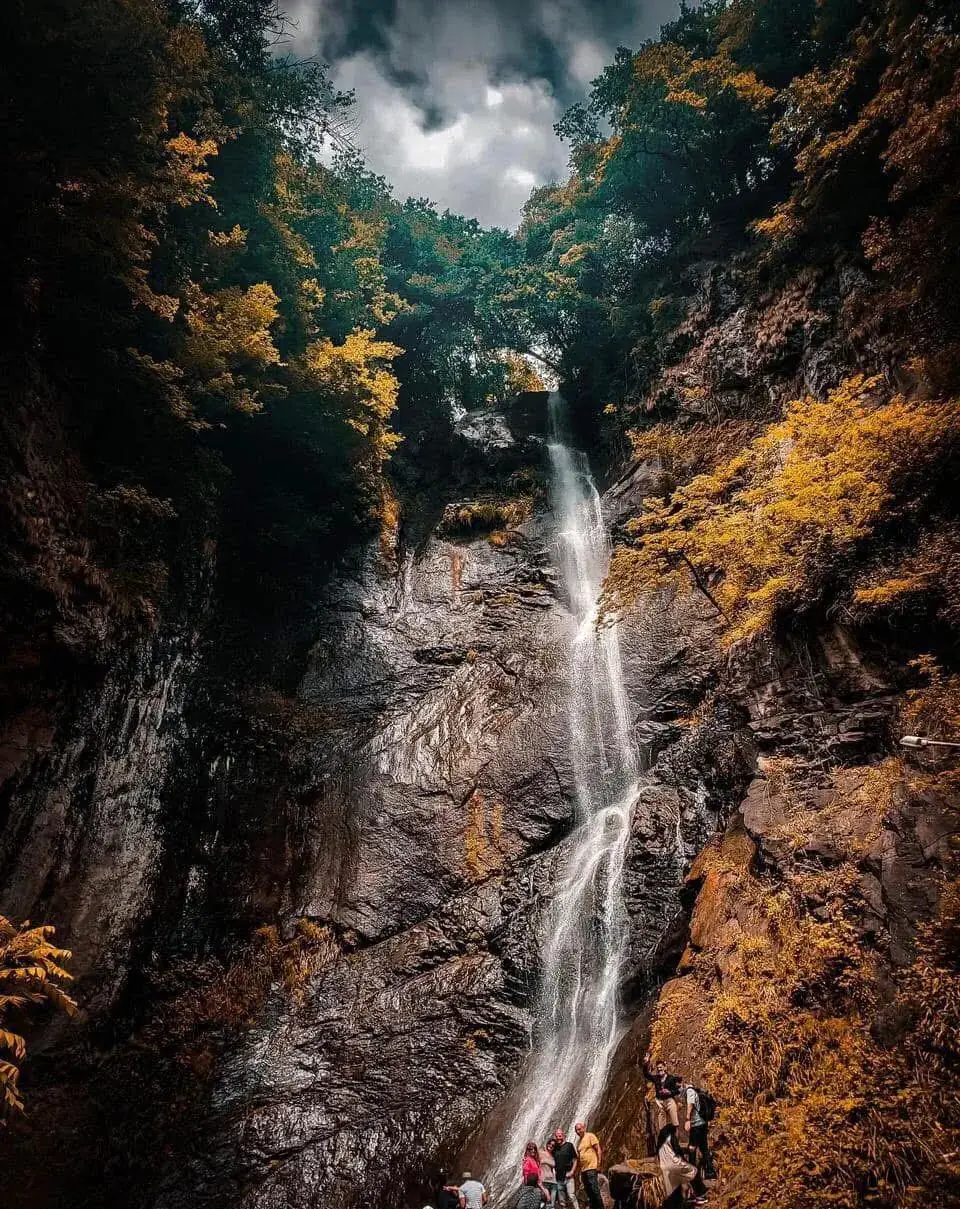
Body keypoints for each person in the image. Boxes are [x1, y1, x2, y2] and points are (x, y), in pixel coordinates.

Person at [656, 1125, 708, 1207]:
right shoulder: (671, 1137)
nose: (678, 1133)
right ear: (673, 1131)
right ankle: (700, 1195)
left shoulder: (662, 1140)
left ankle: (685, 1198)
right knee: (693, 1170)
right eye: (677, 1131)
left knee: (676, 1183)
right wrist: (687, 1155)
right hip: (674, 1163)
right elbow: (678, 1151)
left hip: (664, 1165)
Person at [680, 1078, 716, 1181]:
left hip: (696, 1124)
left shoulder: (690, 1091)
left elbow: (690, 1105)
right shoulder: (697, 1091)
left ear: (685, 1084)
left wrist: (687, 1119)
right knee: (704, 1148)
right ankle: (710, 1172)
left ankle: (692, 1173)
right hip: (703, 1123)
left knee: (691, 1147)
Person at [643, 1050, 680, 1135]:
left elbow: (677, 1090)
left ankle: (675, 1142)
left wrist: (669, 1092)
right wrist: (646, 1063)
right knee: (662, 1127)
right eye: (658, 1068)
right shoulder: (656, 1078)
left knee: (675, 1124)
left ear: (665, 1068)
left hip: (670, 1101)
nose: (660, 1069)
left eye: (661, 1067)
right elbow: (646, 1074)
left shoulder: (671, 1078)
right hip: (660, 1103)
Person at [574, 1122, 603, 1209]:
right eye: (576, 1130)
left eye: (579, 1129)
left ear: (584, 1128)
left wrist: (599, 1164)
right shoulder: (579, 1142)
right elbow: (579, 1158)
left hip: (592, 1168)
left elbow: (598, 1149)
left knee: (595, 1190)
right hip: (583, 1170)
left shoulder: (590, 1136)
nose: (578, 1131)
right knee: (589, 1191)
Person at [552, 1130, 579, 1209]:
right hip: (558, 1177)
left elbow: (575, 1159)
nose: (558, 1138)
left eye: (559, 1136)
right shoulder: (555, 1148)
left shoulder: (569, 1145)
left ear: (563, 1136)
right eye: (556, 1136)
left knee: (571, 1195)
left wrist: (572, 1171)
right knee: (561, 1199)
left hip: (568, 1175)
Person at [539, 1138, 558, 1205]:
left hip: (553, 1182)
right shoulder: (541, 1153)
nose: (551, 1146)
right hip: (544, 1181)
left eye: (553, 1145)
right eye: (550, 1144)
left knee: (551, 1204)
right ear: (547, 1144)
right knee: (544, 1201)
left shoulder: (553, 1156)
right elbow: (533, 1160)